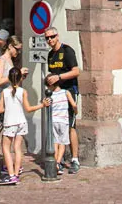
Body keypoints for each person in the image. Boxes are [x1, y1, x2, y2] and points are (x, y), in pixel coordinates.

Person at [0, 67, 43, 186]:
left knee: (6, 148)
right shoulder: (23, 91)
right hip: (21, 122)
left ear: (9, 78)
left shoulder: (5, 92)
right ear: (20, 79)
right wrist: (42, 105)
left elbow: (0, 109)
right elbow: (28, 109)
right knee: (18, 148)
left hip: (10, 123)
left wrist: (9, 107)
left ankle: (11, 175)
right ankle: (16, 174)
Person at [44, 28, 81, 173]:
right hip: (56, 94)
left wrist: (59, 77)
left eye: (52, 37)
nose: (50, 40)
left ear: (57, 36)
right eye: (47, 38)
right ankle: (58, 159)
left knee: (71, 126)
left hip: (69, 91)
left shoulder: (67, 51)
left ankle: (75, 159)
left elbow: (76, 71)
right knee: (56, 125)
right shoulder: (50, 55)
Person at [42, 77, 77, 176]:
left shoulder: (50, 94)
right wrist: (75, 112)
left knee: (55, 143)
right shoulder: (66, 92)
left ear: (50, 85)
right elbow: (73, 105)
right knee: (62, 143)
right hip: (64, 121)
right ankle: (57, 162)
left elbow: (46, 105)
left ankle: (55, 164)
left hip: (54, 121)